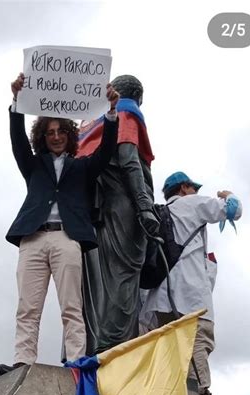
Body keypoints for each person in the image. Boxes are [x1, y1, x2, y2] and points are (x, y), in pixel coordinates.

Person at [0, 73, 119, 377]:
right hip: (34, 239)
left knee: (71, 306)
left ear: (69, 134)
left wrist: (112, 113)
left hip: (67, 237)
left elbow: (105, 152)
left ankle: (77, 362)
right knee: (28, 306)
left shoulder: (82, 167)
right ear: (43, 136)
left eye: (61, 130)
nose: (55, 136)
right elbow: (17, 140)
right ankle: (23, 360)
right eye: (49, 131)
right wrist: (16, 102)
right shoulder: (32, 165)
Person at [77, 74, 159, 355]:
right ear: (139, 97)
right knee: (123, 275)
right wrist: (145, 206)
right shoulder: (127, 112)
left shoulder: (90, 124)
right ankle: (116, 349)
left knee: (96, 281)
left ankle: (95, 346)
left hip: (92, 212)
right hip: (123, 207)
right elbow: (129, 161)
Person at [141, 171, 242, 395]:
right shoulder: (193, 203)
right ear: (183, 188)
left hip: (162, 295)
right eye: (193, 187)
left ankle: (172, 393)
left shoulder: (160, 212)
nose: (196, 191)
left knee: (169, 347)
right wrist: (228, 194)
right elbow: (234, 209)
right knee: (198, 338)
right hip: (191, 292)